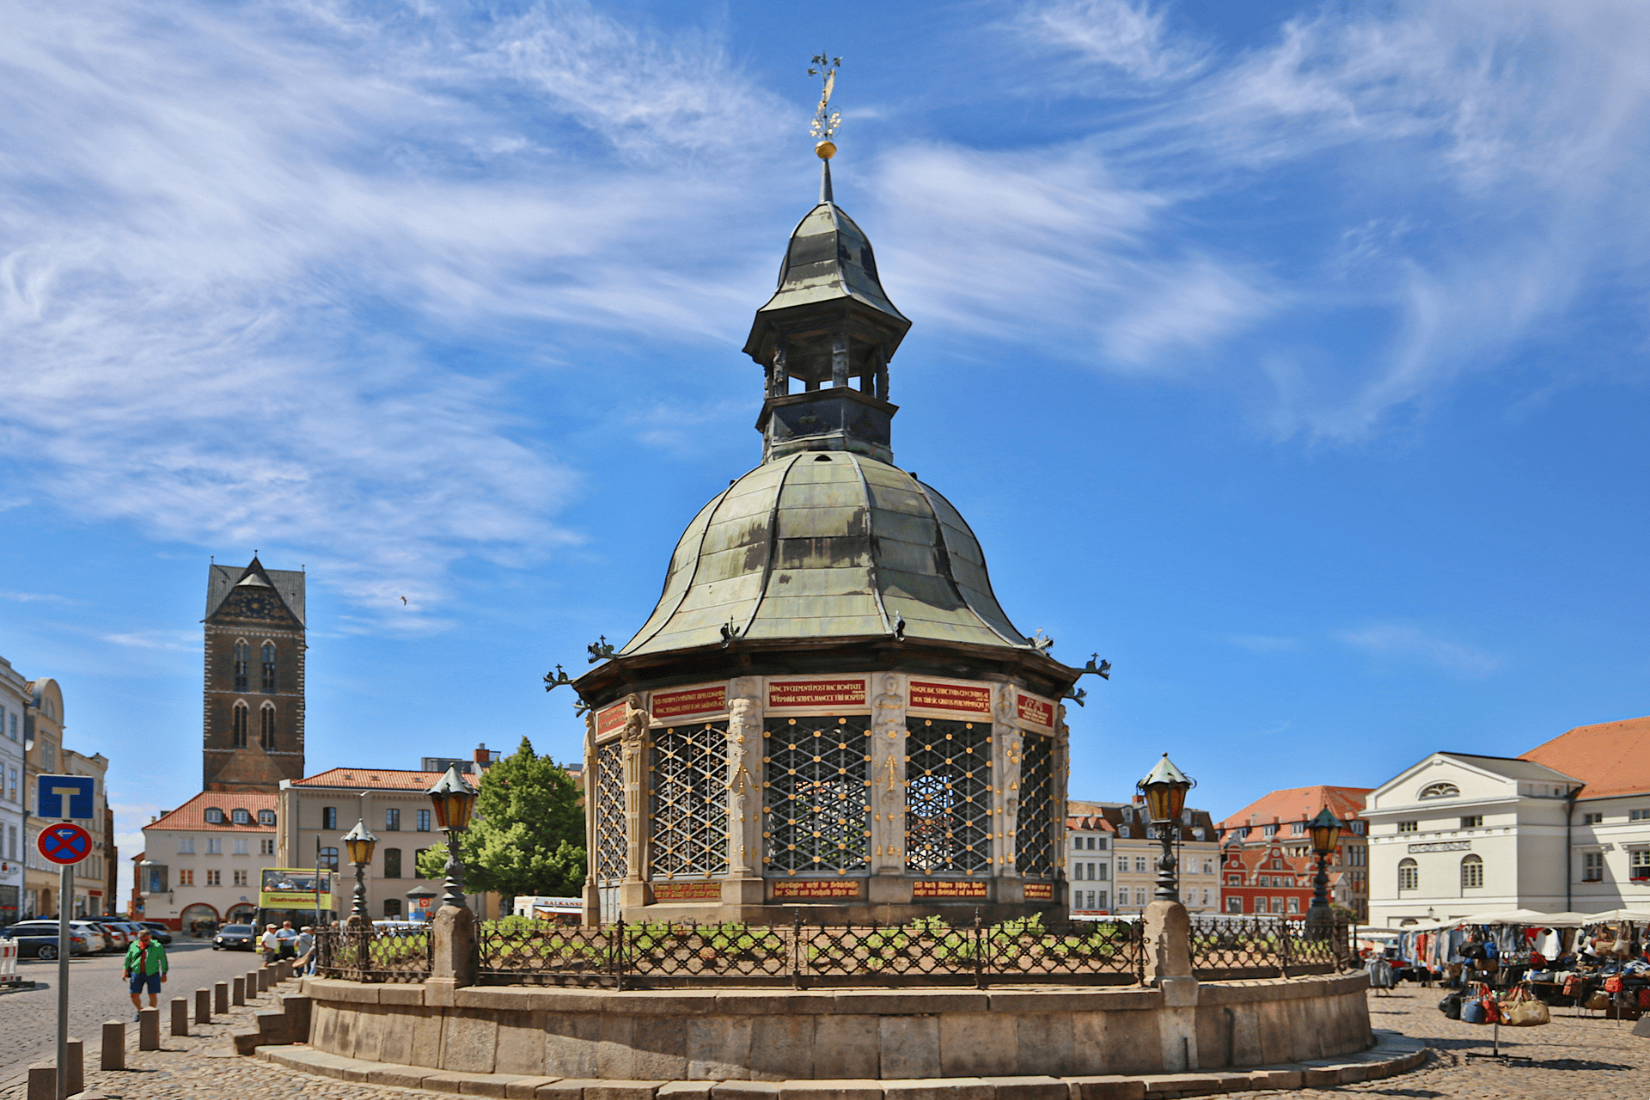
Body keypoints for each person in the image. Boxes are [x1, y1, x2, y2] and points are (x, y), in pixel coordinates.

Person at [124, 928, 168, 1021]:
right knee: (133, 994)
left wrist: (164, 973)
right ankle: (140, 1011)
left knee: (152, 995)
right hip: (137, 972)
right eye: (142, 940)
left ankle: (150, 1015)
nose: (144, 942)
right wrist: (125, 970)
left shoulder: (157, 946)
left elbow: (163, 960)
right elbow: (128, 958)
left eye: (146, 940)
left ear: (150, 938)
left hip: (152, 973)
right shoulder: (134, 945)